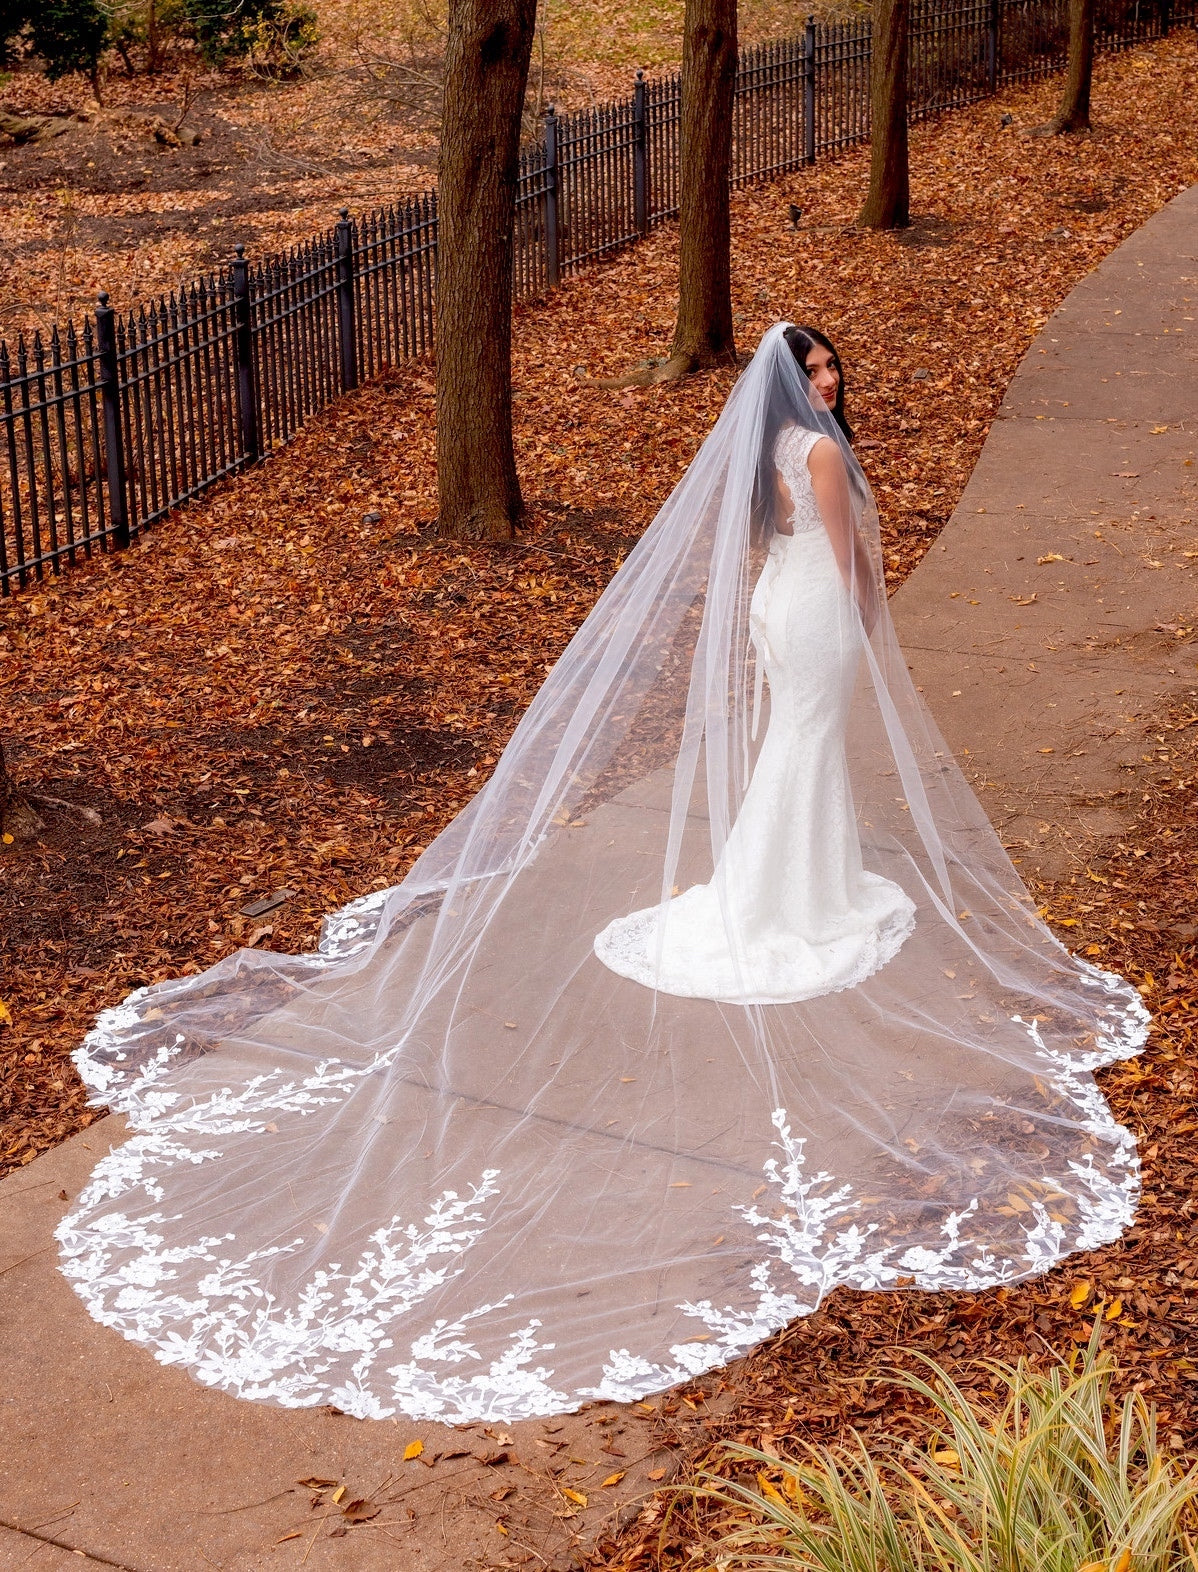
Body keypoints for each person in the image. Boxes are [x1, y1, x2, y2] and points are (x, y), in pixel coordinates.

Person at [57, 324, 1147, 1425]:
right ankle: (784, 898)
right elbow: (847, 550)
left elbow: (768, 549)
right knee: (804, 742)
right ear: (789, 386)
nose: (828, 378)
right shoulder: (818, 456)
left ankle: (790, 882)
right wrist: (868, 614)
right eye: (812, 369)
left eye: (829, 365)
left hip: (782, 608)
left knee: (792, 745)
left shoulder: (774, 450)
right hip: (814, 614)